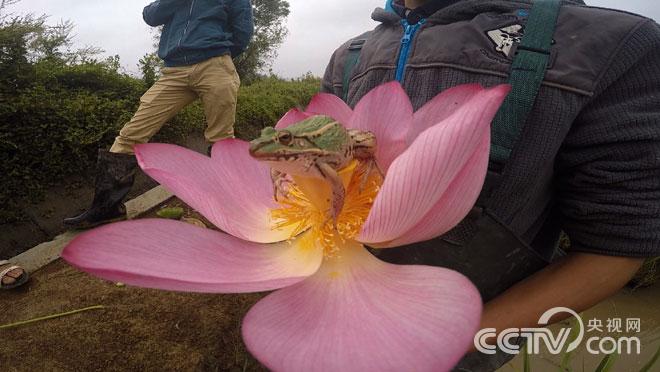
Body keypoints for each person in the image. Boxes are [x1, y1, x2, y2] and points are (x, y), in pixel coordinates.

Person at [321, 0, 660, 370]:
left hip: (452, 348)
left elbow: (615, 250)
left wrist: (452, 342)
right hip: (334, 320)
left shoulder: (611, 47)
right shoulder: (350, 56)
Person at [63, 0, 254, 229]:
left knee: (221, 139)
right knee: (130, 135)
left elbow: (243, 31)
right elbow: (150, 16)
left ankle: (230, 208)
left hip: (215, 66)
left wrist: (217, 52)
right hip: (173, 71)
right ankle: (105, 210)